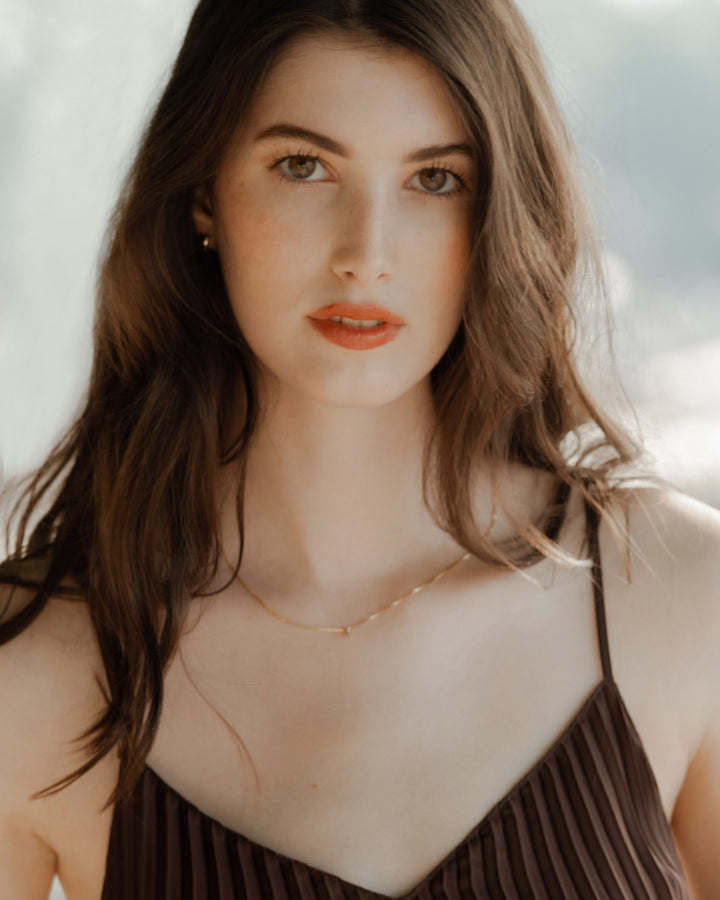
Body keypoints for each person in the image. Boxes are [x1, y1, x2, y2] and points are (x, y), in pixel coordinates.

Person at [1, 0, 718, 897]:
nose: (366, 254)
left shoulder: (684, 595)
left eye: (435, 179)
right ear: (201, 201)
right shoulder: (34, 673)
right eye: (303, 166)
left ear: (497, 209)